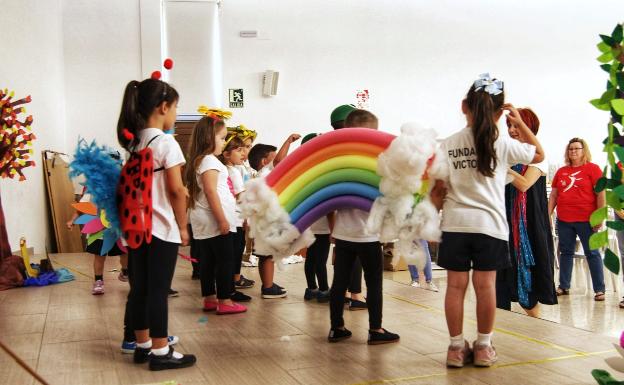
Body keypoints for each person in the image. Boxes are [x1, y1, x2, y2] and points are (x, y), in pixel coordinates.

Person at [437, 74, 544, 368]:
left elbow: (437, 188)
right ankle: (483, 347)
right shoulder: (502, 144)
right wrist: (519, 121)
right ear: (500, 113)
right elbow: (538, 154)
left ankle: (456, 348)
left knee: (455, 287)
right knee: (486, 287)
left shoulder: (448, 143)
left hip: (455, 225)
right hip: (491, 227)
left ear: (464, 106)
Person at [117, 78, 196, 370]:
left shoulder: (135, 142)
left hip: (137, 228)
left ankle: (142, 345)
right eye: (175, 108)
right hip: (162, 227)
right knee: (158, 291)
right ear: (164, 107)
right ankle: (161, 352)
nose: (175, 115)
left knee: (139, 289)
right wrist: (184, 226)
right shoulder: (166, 142)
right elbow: (176, 191)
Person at [328, 109, 400, 345]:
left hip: (343, 233)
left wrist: (332, 230)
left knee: (339, 283)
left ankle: (336, 327)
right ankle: (375, 330)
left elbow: (330, 198)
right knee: (374, 283)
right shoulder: (377, 161)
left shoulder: (339, 161)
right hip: (368, 236)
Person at [496, 108, 557, 318]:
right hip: (504, 226)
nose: (512, 131)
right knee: (500, 284)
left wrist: (502, 167)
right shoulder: (508, 155)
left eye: (517, 125)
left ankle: (536, 328)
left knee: (527, 285)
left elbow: (523, 185)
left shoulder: (538, 158)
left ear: (529, 127)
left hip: (527, 229)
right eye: (510, 126)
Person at [186, 116, 247, 315]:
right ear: (209, 138)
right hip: (214, 219)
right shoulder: (210, 161)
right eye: (222, 138)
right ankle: (225, 300)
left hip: (203, 219)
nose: (224, 143)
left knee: (208, 261)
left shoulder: (200, 160)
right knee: (225, 260)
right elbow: (211, 191)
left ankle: (210, 298)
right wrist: (222, 219)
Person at [548, 137, 606, 301]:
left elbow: (601, 194)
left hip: (587, 220)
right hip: (565, 219)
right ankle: (564, 286)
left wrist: (599, 216)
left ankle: (599, 289)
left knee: (592, 253)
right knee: (565, 252)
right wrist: (547, 214)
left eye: (576, 148)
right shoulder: (561, 172)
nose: (573, 151)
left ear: (583, 150)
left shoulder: (593, 169)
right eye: (570, 149)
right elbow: (554, 195)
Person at [247, 133, 301, 298]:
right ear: (264, 162)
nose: (278, 160)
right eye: (274, 157)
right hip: (268, 221)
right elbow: (279, 162)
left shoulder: (262, 175)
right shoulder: (266, 174)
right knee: (267, 254)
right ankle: (268, 287)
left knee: (266, 254)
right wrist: (288, 140)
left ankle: (268, 283)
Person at [219, 134, 254, 301]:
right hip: (236, 218)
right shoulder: (232, 171)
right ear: (226, 154)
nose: (243, 153)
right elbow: (240, 195)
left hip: (236, 217)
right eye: (239, 150)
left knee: (234, 254)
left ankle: (231, 288)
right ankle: (231, 289)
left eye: (245, 149)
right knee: (234, 255)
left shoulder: (230, 169)